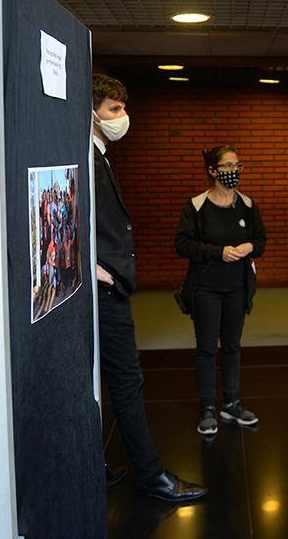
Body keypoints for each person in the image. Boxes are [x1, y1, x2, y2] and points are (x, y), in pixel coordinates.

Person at [92, 74, 206, 501]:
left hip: (109, 287)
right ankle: (152, 476)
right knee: (126, 381)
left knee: (112, 381)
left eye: (123, 108)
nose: (123, 118)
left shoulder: (99, 155)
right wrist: (93, 269)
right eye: (113, 110)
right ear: (92, 113)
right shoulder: (85, 158)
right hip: (103, 293)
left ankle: (98, 465)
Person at [175, 145, 266, 436]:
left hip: (237, 288)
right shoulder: (197, 206)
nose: (234, 172)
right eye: (227, 166)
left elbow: (261, 240)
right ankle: (208, 408)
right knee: (206, 348)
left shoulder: (247, 205)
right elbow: (183, 245)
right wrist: (218, 252)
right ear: (212, 171)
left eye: (238, 165)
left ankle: (232, 402)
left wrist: (251, 246)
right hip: (206, 288)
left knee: (232, 346)